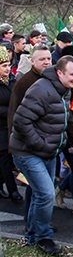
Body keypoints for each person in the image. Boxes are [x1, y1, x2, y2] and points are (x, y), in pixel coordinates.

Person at [10, 56, 73, 255]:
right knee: (46, 194)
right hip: (28, 152)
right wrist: (40, 145)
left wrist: (70, 141)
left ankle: (33, 235)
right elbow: (21, 121)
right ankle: (44, 237)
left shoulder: (63, 90)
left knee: (39, 194)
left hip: (48, 152)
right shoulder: (42, 90)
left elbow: (62, 119)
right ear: (60, 73)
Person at [0, 46, 21, 201]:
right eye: (3, 66)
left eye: (8, 65)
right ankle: (13, 190)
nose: (7, 69)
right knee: (5, 159)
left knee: (7, 158)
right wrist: (10, 111)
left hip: (11, 126)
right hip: (1, 127)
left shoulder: (12, 80)